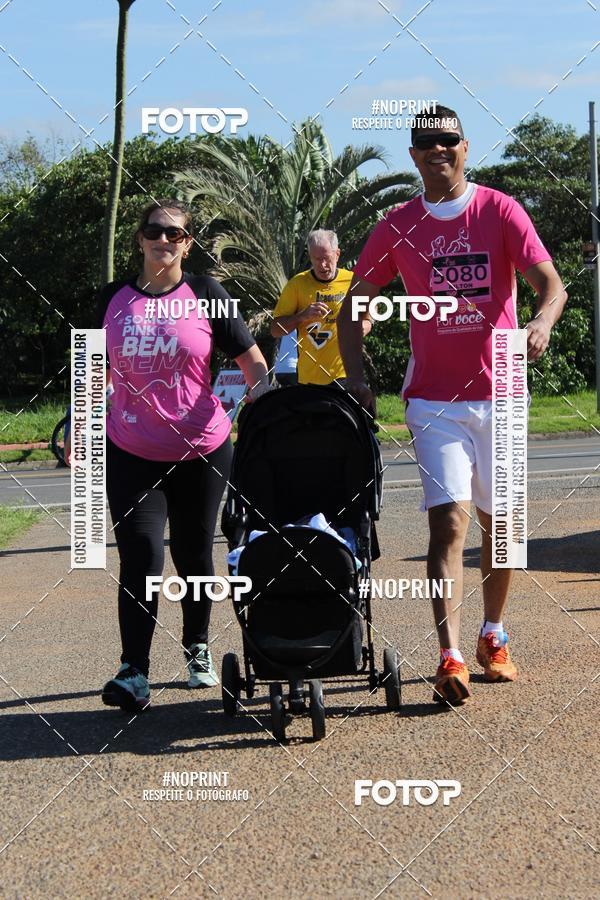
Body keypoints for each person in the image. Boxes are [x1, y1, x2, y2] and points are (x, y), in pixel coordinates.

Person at [337, 106, 567, 705]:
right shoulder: (397, 225)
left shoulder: (500, 211)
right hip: (434, 399)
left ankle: (494, 634)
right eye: (425, 143)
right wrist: (357, 374)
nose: (437, 149)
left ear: (465, 147)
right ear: (413, 155)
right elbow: (355, 303)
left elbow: (551, 284)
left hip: (505, 390)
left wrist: (541, 320)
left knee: (506, 527)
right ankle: (451, 655)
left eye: (448, 140)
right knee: (448, 522)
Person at [66, 199, 269, 711]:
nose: (165, 239)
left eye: (176, 234)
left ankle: (197, 648)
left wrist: (262, 419)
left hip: (202, 449)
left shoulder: (207, 294)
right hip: (131, 449)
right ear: (139, 239)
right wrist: (78, 423)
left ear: (187, 244)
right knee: (142, 555)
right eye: (155, 230)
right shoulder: (112, 299)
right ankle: (133, 669)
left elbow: (252, 361)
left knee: (195, 554)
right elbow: (93, 369)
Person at [271, 229, 371, 385]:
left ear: (337, 254)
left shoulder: (353, 282)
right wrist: (302, 316)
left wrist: (363, 327)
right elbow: (276, 330)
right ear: (310, 256)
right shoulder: (297, 285)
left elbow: (369, 316)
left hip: (345, 375)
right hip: (309, 380)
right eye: (316, 259)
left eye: (326, 258)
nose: (322, 265)